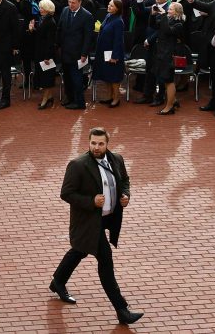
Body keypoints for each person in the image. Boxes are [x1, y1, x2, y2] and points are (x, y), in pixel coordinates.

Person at [50, 127, 143, 326]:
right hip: (88, 222)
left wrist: (126, 196)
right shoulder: (78, 165)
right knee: (105, 261)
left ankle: (58, 281)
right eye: (93, 143)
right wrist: (91, 201)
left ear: (107, 144)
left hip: (107, 219)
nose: (96, 147)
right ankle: (122, 310)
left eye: (101, 144)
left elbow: (124, 180)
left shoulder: (117, 159)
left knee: (80, 250)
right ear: (89, 142)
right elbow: (66, 193)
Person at [57, 0, 95, 110]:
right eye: (69, 2)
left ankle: (79, 102)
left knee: (77, 79)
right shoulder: (65, 11)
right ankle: (70, 98)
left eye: (73, 3)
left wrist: (84, 54)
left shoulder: (87, 16)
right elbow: (60, 28)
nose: (70, 5)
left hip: (78, 54)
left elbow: (88, 37)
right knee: (67, 78)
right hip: (65, 51)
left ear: (79, 2)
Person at [152, 2, 186, 115]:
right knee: (163, 79)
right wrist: (152, 15)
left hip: (169, 54)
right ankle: (174, 101)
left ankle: (169, 106)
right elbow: (154, 26)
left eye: (170, 9)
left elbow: (167, 31)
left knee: (169, 80)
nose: (168, 11)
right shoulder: (167, 19)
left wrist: (162, 15)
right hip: (161, 53)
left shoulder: (179, 24)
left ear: (177, 12)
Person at [92, 0, 125, 108]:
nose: (109, 6)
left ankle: (116, 99)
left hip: (113, 54)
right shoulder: (108, 16)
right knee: (106, 75)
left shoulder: (118, 22)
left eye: (111, 6)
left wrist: (115, 56)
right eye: (109, 4)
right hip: (103, 51)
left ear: (117, 8)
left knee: (114, 77)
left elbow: (118, 41)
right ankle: (110, 96)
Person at [33, 0, 58, 109]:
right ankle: (50, 96)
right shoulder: (43, 19)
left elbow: (50, 42)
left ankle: (45, 99)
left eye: (42, 8)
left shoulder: (50, 22)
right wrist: (33, 29)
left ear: (48, 9)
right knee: (44, 76)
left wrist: (48, 57)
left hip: (47, 55)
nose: (40, 9)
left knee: (47, 78)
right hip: (41, 53)